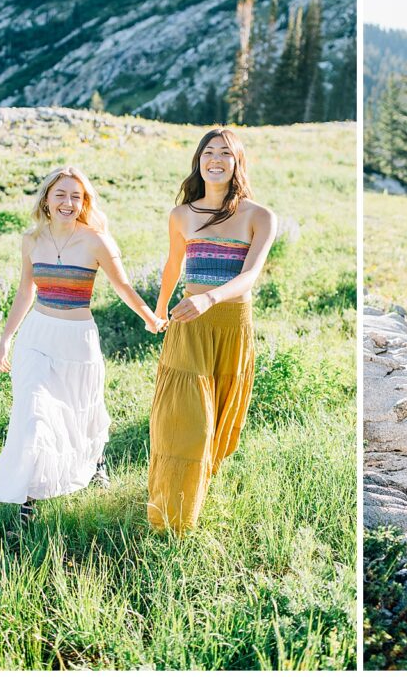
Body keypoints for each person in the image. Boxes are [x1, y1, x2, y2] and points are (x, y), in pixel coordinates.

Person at [0, 166, 164, 526]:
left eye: (76, 196)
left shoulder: (96, 240)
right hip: (36, 338)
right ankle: (29, 500)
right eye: (61, 194)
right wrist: (6, 338)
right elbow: (26, 291)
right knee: (35, 416)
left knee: (81, 412)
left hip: (77, 340)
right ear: (47, 199)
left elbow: (123, 287)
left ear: (84, 202)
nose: (68, 202)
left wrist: (149, 317)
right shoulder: (31, 240)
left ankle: (96, 463)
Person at [148, 128, 277, 532]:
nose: (215, 159)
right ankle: (170, 521)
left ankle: (194, 503)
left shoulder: (259, 217)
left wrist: (210, 298)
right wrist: (159, 307)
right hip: (188, 325)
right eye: (208, 152)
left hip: (231, 327)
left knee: (219, 429)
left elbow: (250, 276)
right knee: (186, 424)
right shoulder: (182, 215)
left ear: (238, 162)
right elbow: (173, 266)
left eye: (225, 153)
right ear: (198, 161)